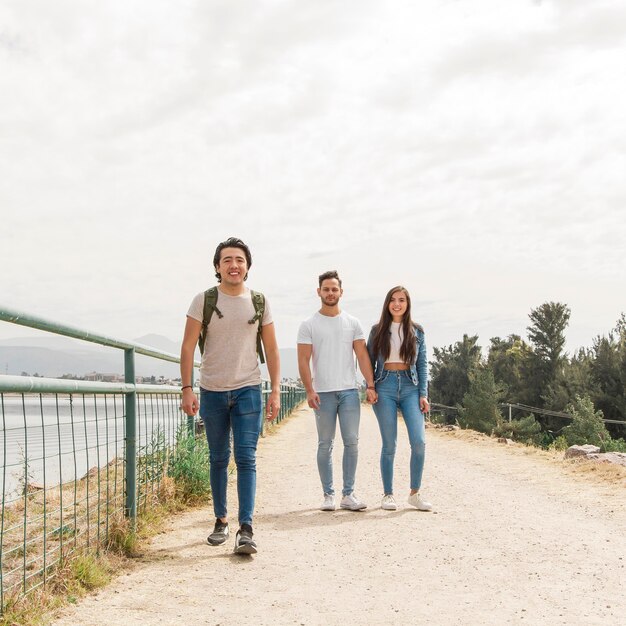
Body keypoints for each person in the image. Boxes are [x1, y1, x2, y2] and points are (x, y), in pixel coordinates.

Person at [180, 237, 281, 555]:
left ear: (247, 267)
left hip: (249, 389)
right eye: (227, 260)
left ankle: (246, 529)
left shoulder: (260, 302)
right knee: (218, 458)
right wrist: (187, 389)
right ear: (217, 267)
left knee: (247, 459)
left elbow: (273, 349)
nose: (233, 265)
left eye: (239, 259)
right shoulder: (204, 300)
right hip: (211, 390)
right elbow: (186, 346)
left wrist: (275, 389)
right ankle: (221, 520)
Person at [297, 270, 377, 512]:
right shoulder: (308, 324)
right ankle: (328, 495)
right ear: (318, 291)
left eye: (334, 289)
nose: (330, 293)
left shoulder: (352, 323)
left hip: (349, 392)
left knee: (352, 442)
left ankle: (348, 494)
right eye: (326, 289)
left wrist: (370, 385)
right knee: (325, 444)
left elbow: (362, 356)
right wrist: (309, 390)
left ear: (341, 292)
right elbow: (303, 360)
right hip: (323, 393)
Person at [366, 285, 433, 512]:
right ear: (387, 304)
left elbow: (422, 364)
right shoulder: (377, 331)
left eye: (401, 300)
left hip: (410, 387)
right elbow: (367, 361)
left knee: (419, 442)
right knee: (389, 444)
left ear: (407, 304)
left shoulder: (417, 331)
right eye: (393, 300)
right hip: (384, 386)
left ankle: (415, 493)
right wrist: (370, 386)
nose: (397, 304)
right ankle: (388, 494)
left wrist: (423, 394)